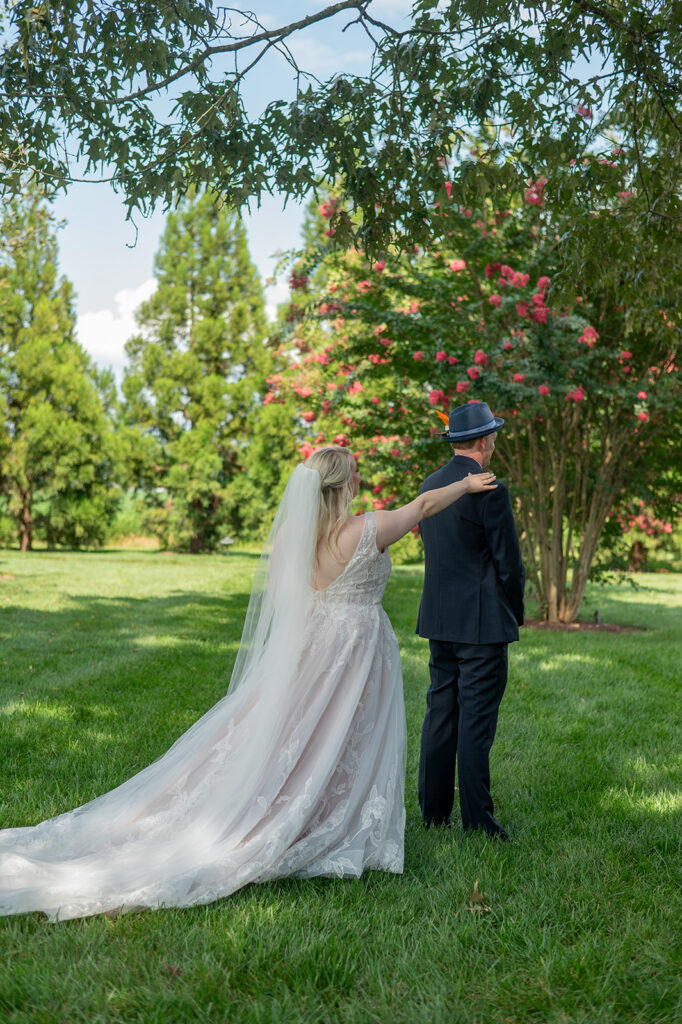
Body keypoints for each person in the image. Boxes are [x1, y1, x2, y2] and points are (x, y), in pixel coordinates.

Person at [0, 445, 497, 921]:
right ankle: (322, 816)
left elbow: (285, 602)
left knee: (295, 731)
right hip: (356, 646)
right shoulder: (368, 529)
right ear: (346, 484)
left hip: (313, 644)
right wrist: (469, 482)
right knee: (340, 734)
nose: (360, 479)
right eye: (355, 472)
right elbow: (427, 503)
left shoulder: (293, 538)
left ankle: (303, 805)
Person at [417, 402, 525, 839]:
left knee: (441, 715)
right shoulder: (489, 489)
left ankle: (433, 811)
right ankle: (479, 822)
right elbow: (508, 562)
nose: (495, 441)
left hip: (440, 621)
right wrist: (514, 610)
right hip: (481, 625)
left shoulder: (431, 484)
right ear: (483, 441)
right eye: (493, 435)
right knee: (476, 724)